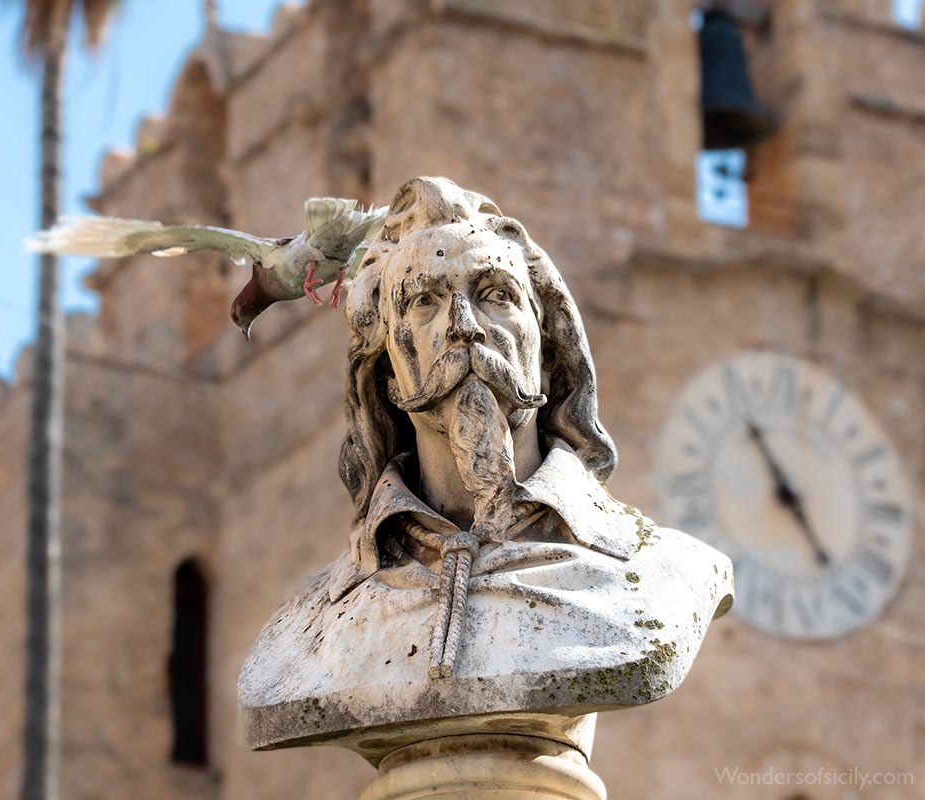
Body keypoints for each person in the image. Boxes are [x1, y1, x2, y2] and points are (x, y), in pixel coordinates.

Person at [239, 178, 733, 754]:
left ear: (548, 359)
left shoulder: (661, 573)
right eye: (425, 300)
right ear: (390, 377)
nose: (465, 325)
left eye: (496, 294)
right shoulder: (311, 627)